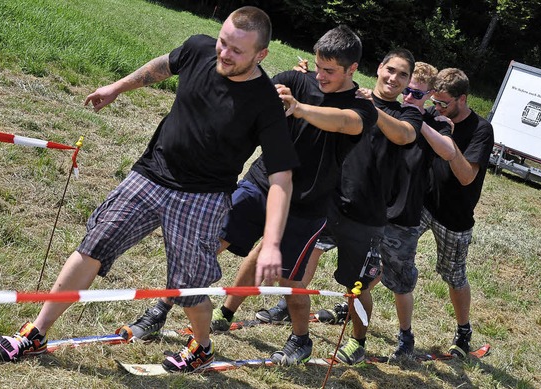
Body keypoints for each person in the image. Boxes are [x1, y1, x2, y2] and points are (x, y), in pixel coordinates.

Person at [0, 6, 299, 373]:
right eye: (223, 42)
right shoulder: (199, 49)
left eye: (236, 51)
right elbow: (164, 65)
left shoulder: (265, 103)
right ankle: (36, 333)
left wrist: (273, 244)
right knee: (94, 245)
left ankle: (201, 346)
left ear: (261, 55)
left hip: (201, 198)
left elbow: (281, 178)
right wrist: (118, 86)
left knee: (189, 288)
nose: (224, 54)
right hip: (151, 174)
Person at [121, 25, 377, 366]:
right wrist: (271, 93)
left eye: (329, 71)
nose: (320, 75)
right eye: (318, 66)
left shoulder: (361, 107)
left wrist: (298, 108)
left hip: (305, 207)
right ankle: (160, 309)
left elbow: (345, 123)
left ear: (351, 70)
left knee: (291, 283)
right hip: (259, 185)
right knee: (203, 248)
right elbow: (254, 90)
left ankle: (300, 339)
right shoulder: (297, 80)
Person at [259, 49, 423, 365]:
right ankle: (296, 334)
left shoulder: (408, 114)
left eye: (403, 75)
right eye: (391, 70)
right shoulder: (351, 96)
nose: (394, 78)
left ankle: (357, 342)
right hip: (327, 202)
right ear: (379, 68)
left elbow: (403, 136)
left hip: (367, 214)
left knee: (357, 285)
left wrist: (370, 106)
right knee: (300, 269)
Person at [377, 62, 458, 358]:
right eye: (406, 90)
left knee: (400, 282)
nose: (409, 96)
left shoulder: (433, 122)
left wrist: (419, 119)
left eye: (417, 94)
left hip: (404, 215)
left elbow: (448, 152)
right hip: (373, 209)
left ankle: (405, 336)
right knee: (362, 270)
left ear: (429, 96)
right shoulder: (391, 111)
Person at [418, 68, 494, 358]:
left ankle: (463, 330)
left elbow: (466, 177)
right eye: (434, 102)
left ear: (462, 99)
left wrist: (448, 142)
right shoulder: (433, 114)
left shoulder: (481, 130)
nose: (437, 108)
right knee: (392, 251)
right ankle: (354, 303)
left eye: (444, 103)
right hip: (423, 203)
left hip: (455, 216)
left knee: (454, 275)